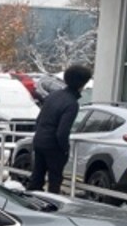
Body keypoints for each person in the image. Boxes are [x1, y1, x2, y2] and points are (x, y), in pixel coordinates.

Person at [28, 64, 93, 194]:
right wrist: (65, 149)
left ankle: (30, 203)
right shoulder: (71, 104)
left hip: (39, 140)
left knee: (37, 177)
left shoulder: (53, 96)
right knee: (55, 180)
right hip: (54, 146)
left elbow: (39, 120)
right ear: (82, 84)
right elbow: (62, 131)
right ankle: (52, 208)